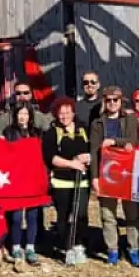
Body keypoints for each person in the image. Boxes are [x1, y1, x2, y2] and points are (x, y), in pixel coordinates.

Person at [90, 86, 139, 266]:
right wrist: (94, 177)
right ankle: (112, 249)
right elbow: (94, 151)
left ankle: (133, 248)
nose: (112, 103)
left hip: (127, 172)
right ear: (104, 102)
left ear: (121, 102)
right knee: (107, 214)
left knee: (132, 214)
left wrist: (114, 141)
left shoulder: (130, 119)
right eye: (109, 100)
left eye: (115, 100)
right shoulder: (97, 123)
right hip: (106, 173)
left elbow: (132, 141)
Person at [43, 97, 91, 265]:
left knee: (81, 214)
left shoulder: (83, 129)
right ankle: (67, 247)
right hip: (62, 182)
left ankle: (79, 244)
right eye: (60, 113)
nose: (64, 116)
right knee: (63, 217)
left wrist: (88, 157)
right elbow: (50, 157)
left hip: (81, 181)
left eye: (67, 113)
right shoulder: (52, 132)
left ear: (73, 112)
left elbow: (93, 149)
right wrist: (72, 163)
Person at [3, 102, 44, 266]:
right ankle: (15, 246)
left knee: (33, 214)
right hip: (15, 178)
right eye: (20, 113)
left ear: (30, 116)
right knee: (16, 216)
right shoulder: (9, 132)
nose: (23, 117)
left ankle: (30, 247)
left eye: (26, 114)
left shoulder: (37, 133)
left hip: (33, 177)